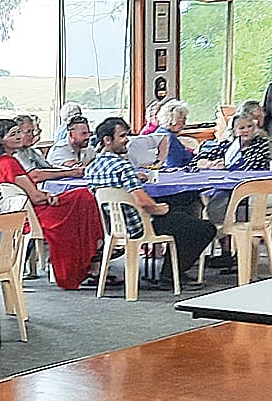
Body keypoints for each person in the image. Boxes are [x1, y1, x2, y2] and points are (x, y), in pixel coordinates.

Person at [87, 117, 217, 279]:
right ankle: (171, 275)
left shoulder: (91, 168)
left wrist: (134, 177)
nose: (127, 140)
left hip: (114, 226)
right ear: (107, 140)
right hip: (140, 226)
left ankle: (171, 270)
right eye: (122, 136)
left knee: (180, 214)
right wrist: (160, 208)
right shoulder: (123, 167)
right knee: (203, 228)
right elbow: (143, 202)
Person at [0, 117, 103, 290]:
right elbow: (34, 197)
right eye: (13, 134)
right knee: (84, 196)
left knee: (81, 198)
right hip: (33, 213)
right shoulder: (9, 163)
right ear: (1, 140)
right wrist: (48, 196)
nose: (19, 137)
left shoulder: (3, 161)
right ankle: (95, 249)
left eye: (19, 132)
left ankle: (94, 252)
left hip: (27, 210)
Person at [195, 112, 272, 173]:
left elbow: (249, 168)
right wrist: (209, 164)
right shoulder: (227, 145)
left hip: (251, 183)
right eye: (242, 128)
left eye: (250, 126)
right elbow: (197, 160)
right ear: (234, 132)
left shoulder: (261, 144)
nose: (246, 130)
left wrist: (224, 166)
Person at [154, 101, 197, 169]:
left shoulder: (158, 132)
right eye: (182, 121)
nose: (184, 125)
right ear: (172, 120)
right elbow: (174, 164)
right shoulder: (169, 138)